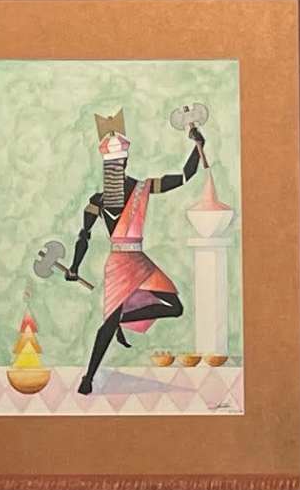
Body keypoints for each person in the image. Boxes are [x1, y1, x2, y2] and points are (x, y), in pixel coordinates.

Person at [38, 103, 207, 394]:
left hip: (139, 259)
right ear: (106, 166)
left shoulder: (143, 188)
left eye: (118, 163)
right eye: (110, 165)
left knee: (175, 306)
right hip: (118, 263)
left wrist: (198, 147)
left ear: (125, 163)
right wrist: (75, 267)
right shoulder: (96, 200)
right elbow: (83, 236)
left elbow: (183, 177)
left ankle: (119, 320)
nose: (114, 168)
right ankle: (87, 379)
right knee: (107, 324)